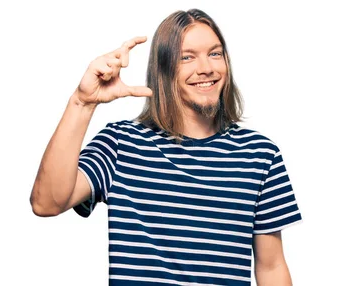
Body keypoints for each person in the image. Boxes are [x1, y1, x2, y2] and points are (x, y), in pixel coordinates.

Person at [30, 8, 302, 286]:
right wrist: (82, 102)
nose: (206, 68)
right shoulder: (121, 144)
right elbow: (46, 202)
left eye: (215, 53)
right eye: (187, 57)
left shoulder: (260, 155)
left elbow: (272, 267)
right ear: (164, 68)